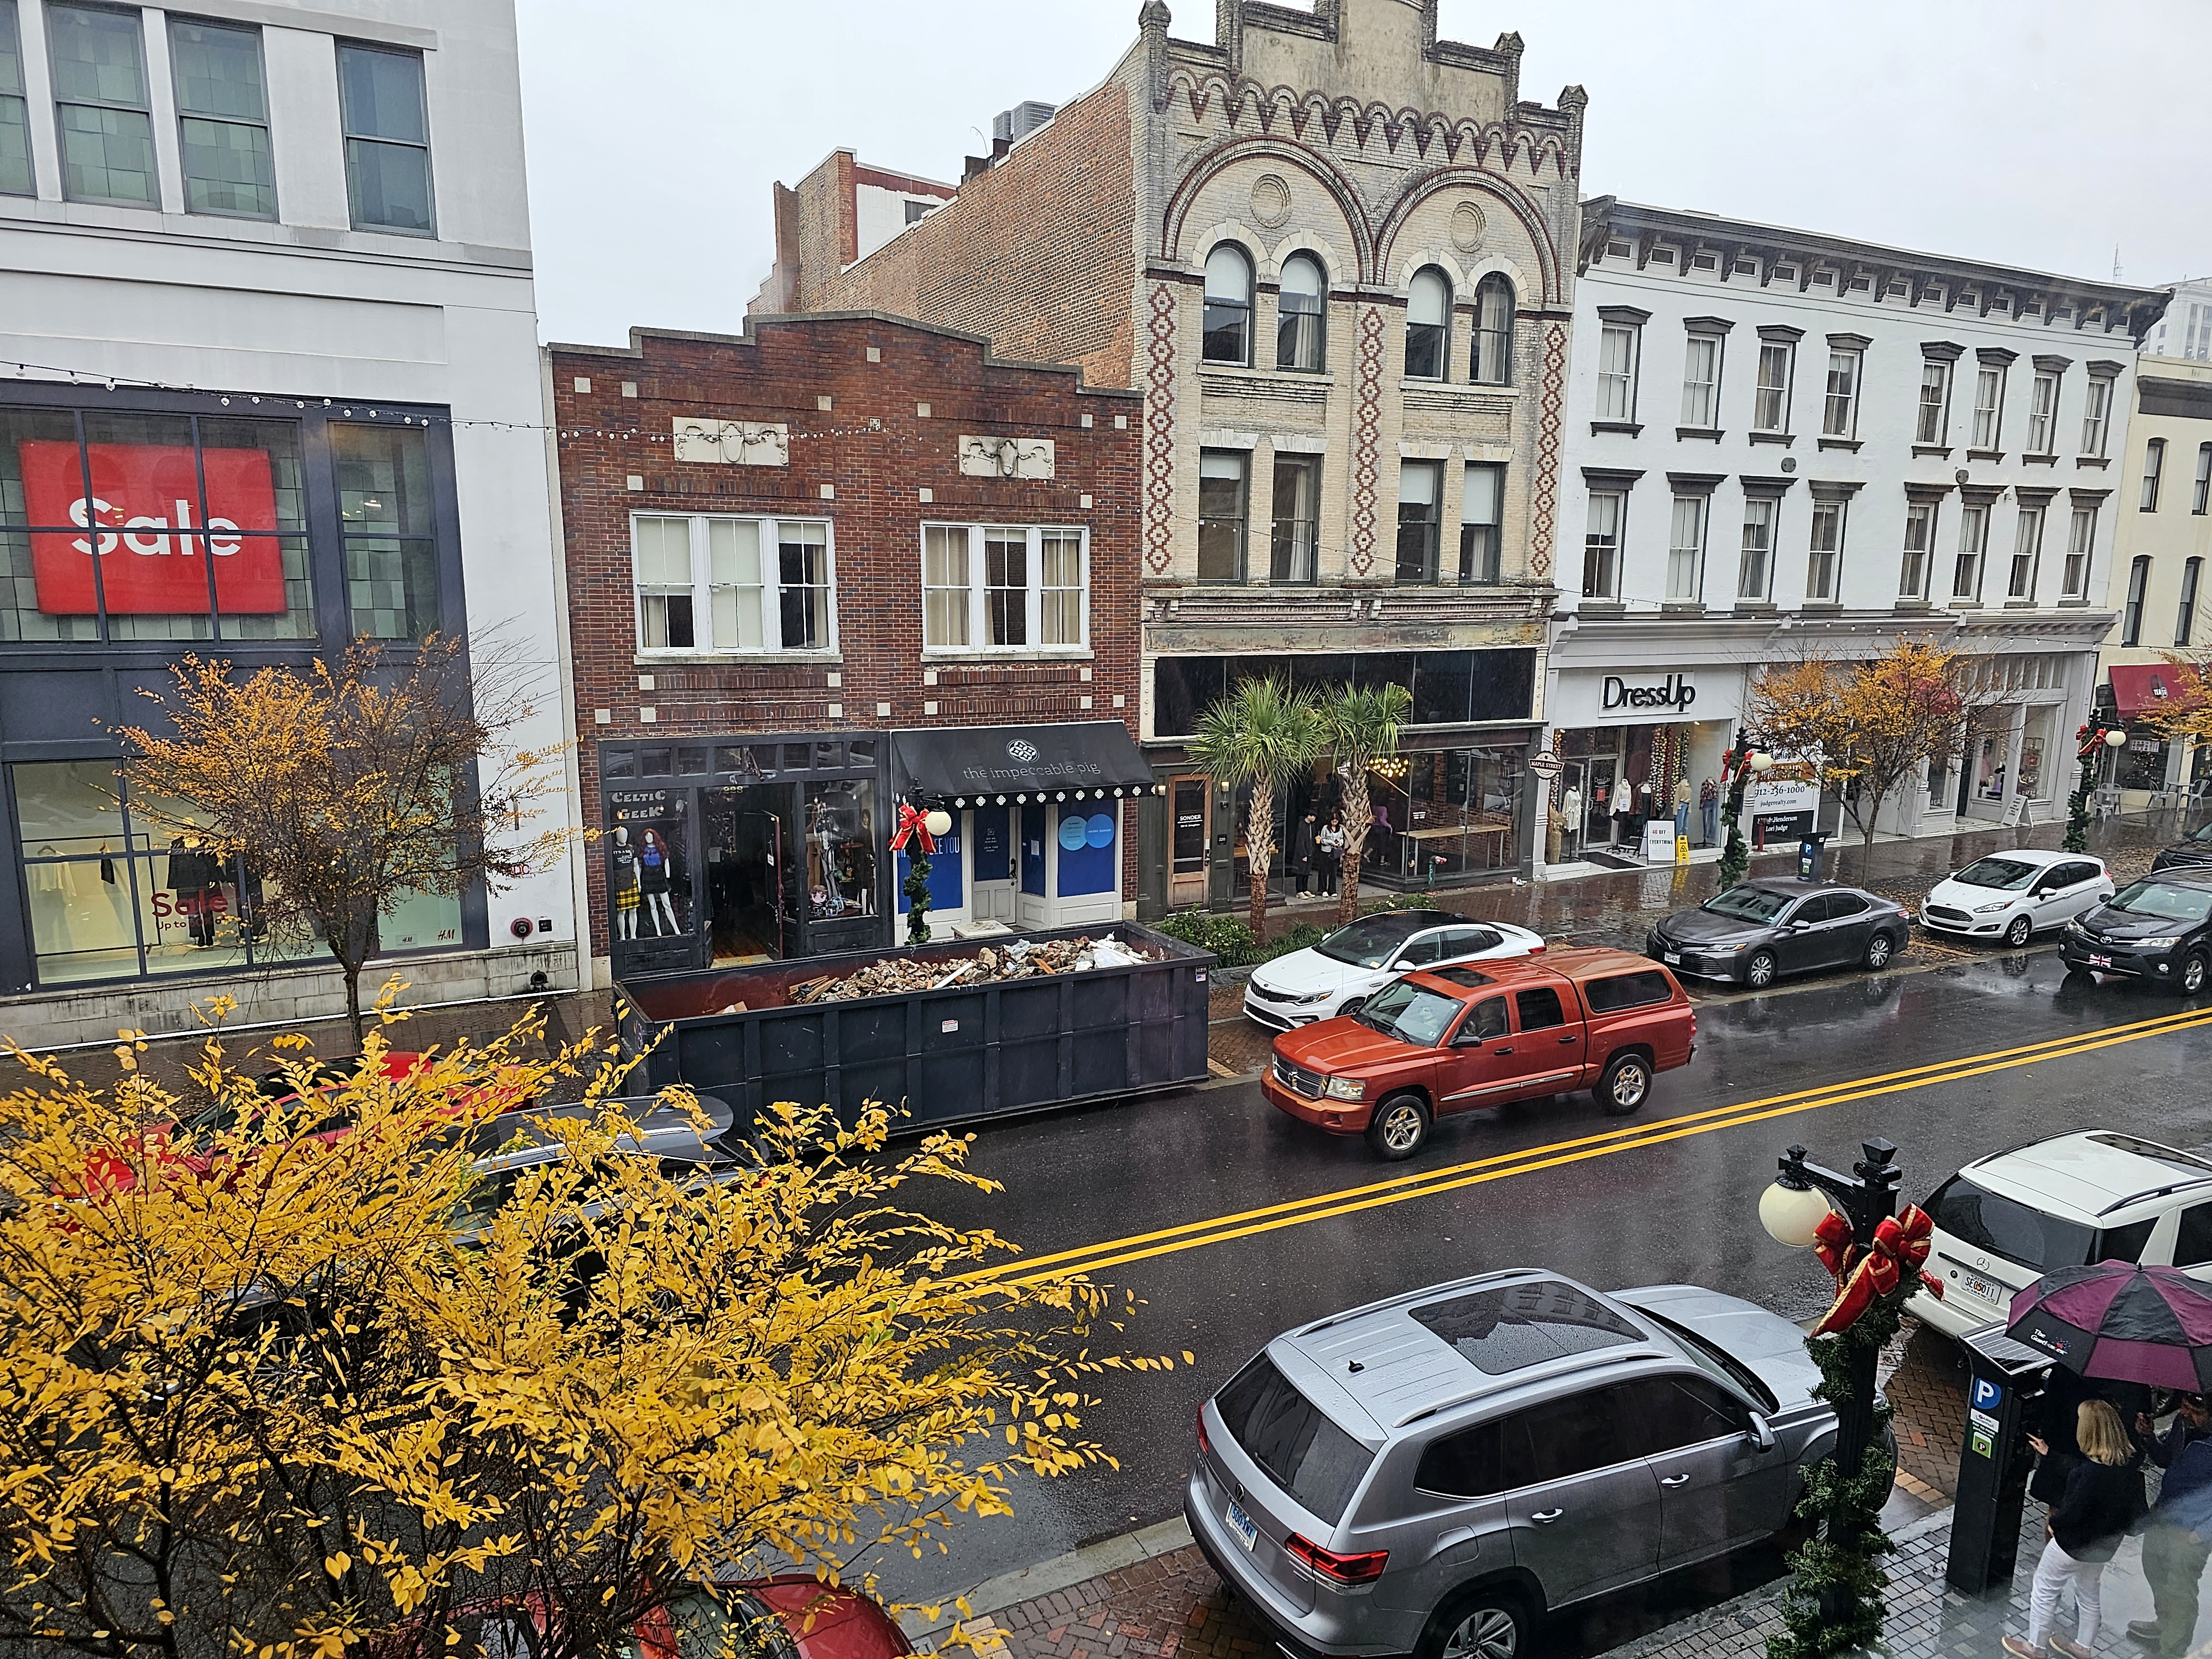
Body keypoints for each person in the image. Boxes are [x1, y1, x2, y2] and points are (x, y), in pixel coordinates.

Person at [2005, 1400, 2144, 1659]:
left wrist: (2054, 1525)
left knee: (2045, 1589)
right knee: (2089, 1593)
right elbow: (2135, 1518)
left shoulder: (2089, 1475)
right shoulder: (2128, 1471)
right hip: (2102, 1549)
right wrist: (2050, 1454)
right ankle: (2083, 1648)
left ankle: (2034, 1647)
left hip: (2071, 1545)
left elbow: (2071, 1512)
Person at [2131, 1394, 2212, 1655]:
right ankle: (2164, 1624)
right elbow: (2165, 1459)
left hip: (2192, 1532)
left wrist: (2202, 1534)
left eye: (2195, 1410)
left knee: (2180, 1593)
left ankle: (2172, 1650)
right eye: (2184, 1406)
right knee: (2153, 1568)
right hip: (2164, 1514)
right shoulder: (2183, 1422)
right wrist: (2149, 1437)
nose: (2185, 1414)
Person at [1290, 809, 1318, 899]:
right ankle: (1299, 891)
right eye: (1312, 816)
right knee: (1300, 872)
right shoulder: (1302, 825)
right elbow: (1300, 841)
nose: (1314, 818)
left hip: (1310, 852)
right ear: (1308, 816)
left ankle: (1305, 889)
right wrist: (1303, 854)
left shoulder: (1312, 826)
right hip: (1302, 853)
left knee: (1307, 872)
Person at [1316, 812, 1345, 897]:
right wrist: (1331, 842)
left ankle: (1332, 890)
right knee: (1324, 871)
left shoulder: (1340, 829)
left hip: (1335, 852)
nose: (1334, 823)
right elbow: (1322, 839)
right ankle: (1323, 889)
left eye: (1336, 822)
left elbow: (1342, 839)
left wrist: (1339, 843)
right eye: (1333, 822)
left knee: (1333, 872)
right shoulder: (1325, 828)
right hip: (1326, 852)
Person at [1699, 776, 1720, 847]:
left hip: (1714, 802)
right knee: (1705, 821)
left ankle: (1711, 835)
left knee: (1713, 820)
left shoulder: (1715, 783)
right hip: (1707, 802)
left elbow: (1716, 794)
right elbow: (1702, 795)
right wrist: (1701, 805)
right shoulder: (1705, 784)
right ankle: (1705, 836)